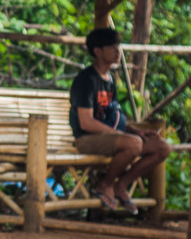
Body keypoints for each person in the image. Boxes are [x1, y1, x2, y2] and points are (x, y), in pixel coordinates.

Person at [69, 28, 171, 215]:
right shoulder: (86, 81)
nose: (118, 51)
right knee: (133, 144)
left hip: (111, 138)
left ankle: (121, 185)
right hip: (87, 139)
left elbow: (113, 117)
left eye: (118, 47)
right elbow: (86, 122)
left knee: (162, 147)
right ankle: (105, 184)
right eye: (112, 47)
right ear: (98, 51)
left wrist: (135, 131)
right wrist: (124, 136)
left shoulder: (109, 80)